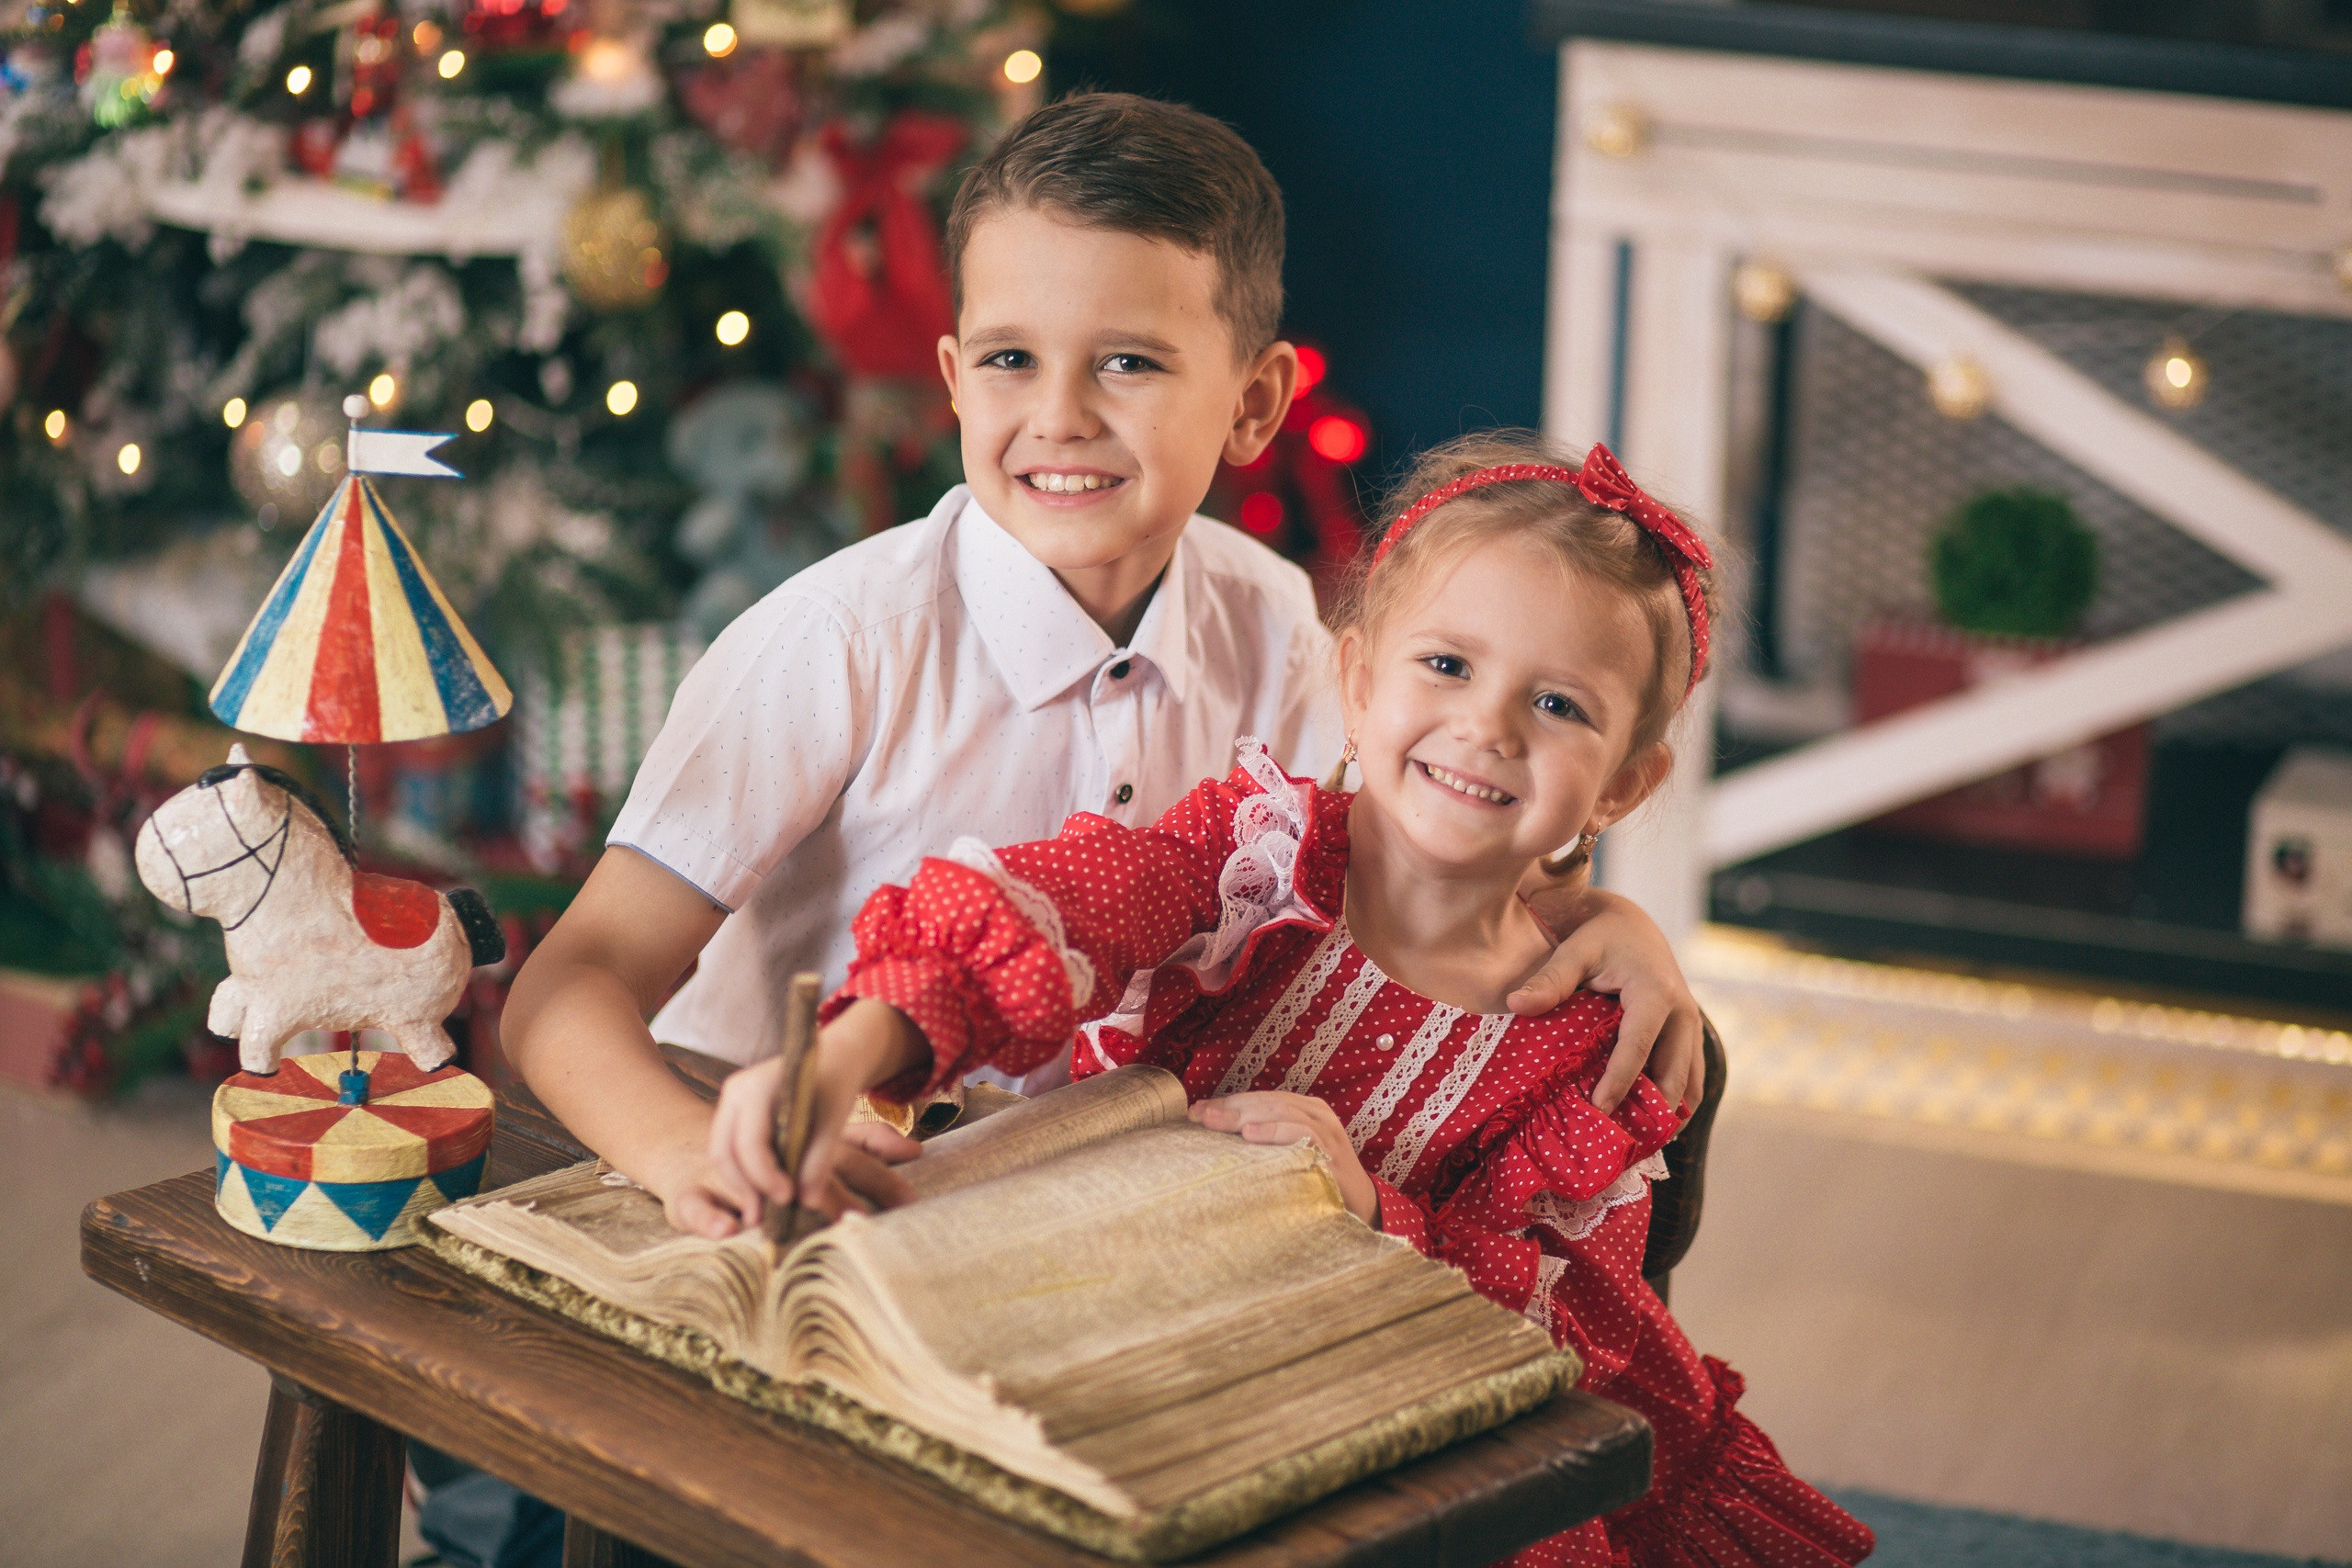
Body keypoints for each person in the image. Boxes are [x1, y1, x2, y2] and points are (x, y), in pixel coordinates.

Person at [502, 95, 1706, 1244]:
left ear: (1254, 403)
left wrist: (1598, 913)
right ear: (952, 376)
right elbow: (569, 984)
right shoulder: (833, 644)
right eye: (1011, 358)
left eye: (1128, 362)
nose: (1061, 414)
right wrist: (684, 1150)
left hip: (1096, 1209)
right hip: (793, 1180)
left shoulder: (1277, 623)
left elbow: (1413, 847)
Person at [721, 433, 1876, 1567]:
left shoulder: (1579, 1051)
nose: (1488, 725)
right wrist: (842, 1056)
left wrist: (1372, 1211)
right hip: (1107, 1346)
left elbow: (1567, 1344)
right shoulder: (1246, 862)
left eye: (1560, 707)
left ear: (1623, 784)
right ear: (1361, 680)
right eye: (1448, 665)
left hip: (1376, 1457)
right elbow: (1061, 907)